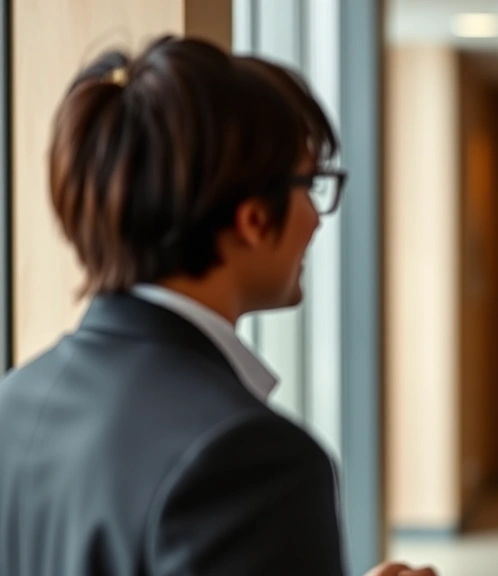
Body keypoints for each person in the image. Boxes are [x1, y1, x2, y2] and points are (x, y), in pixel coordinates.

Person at [0, 36, 434, 576]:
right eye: (311, 186)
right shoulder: (249, 457)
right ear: (253, 219)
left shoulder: (13, 402)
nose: (317, 220)